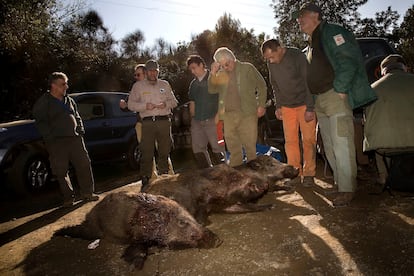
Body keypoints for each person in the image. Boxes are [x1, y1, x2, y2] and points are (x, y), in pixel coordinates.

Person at [293, 2, 377, 206]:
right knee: (329, 145)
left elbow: (347, 60)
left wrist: (340, 88)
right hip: (320, 100)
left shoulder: (332, 32)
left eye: (302, 16)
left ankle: (348, 188)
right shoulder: (312, 43)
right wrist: (312, 105)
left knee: (342, 142)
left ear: (315, 15)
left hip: (334, 95)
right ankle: (341, 185)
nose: (299, 20)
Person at [32, 72, 99, 207]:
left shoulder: (69, 100)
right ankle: (68, 198)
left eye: (66, 83)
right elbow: (41, 122)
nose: (66, 86)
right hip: (57, 142)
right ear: (53, 86)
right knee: (61, 171)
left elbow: (77, 116)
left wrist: (80, 129)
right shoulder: (44, 102)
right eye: (63, 84)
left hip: (75, 139)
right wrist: (50, 138)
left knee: (84, 165)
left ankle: (88, 193)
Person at [261, 39, 317, 187]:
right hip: (286, 106)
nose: (271, 61)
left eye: (272, 57)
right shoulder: (271, 63)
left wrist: (310, 107)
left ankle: (309, 173)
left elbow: (308, 81)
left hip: (304, 103)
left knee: (308, 140)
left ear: (280, 49)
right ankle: (295, 173)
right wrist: (278, 106)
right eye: (268, 59)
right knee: (290, 141)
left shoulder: (297, 56)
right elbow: (275, 85)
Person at [208, 47, 267, 167]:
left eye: (227, 64)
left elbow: (261, 85)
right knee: (232, 146)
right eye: (222, 65)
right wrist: (212, 74)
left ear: (232, 58)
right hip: (229, 115)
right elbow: (211, 89)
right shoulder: (220, 74)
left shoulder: (247, 68)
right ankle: (237, 172)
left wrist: (261, 105)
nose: (225, 67)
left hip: (247, 113)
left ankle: (254, 174)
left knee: (249, 145)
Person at [364, 54, 414, 185]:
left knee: (379, 135)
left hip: (385, 147)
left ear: (382, 72)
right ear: (405, 68)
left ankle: (383, 177)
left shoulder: (372, 89)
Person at [128, 59, 178, 191]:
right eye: (150, 71)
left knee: (164, 150)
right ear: (146, 72)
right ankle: (146, 180)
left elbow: (174, 101)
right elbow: (130, 104)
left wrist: (166, 104)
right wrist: (145, 106)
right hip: (147, 122)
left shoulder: (165, 84)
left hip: (163, 121)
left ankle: (165, 178)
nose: (153, 73)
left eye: (155, 71)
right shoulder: (138, 87)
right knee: (146, 152)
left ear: (158, 71)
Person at [187, 55, 225, 168]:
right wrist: (193, 119)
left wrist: (220, 115)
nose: (193, 71)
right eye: (191, 69)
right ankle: (208, 173)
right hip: (197, 121)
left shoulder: (214, 77)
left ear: (201, 65)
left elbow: (223, 97)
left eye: (194, 68)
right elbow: (192, 102)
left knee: (218, 148)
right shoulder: (193, 84)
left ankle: (224, 174)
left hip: (213, 119)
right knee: (198, 149)